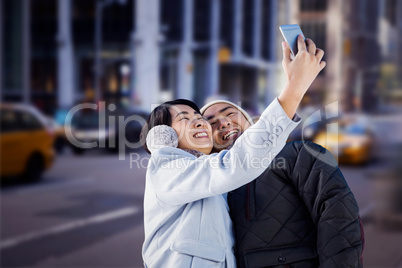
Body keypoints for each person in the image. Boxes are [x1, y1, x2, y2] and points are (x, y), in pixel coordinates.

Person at [141, 36, 325, 267]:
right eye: (185, 119)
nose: (200, 123)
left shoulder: (210, 177)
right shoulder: (167, 166)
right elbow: (236, 163)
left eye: (199, 118)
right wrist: (294, 87)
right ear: (165, 136)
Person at [200, 38, 364, 267]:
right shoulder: (210, 186)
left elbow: (339, 216)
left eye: (229, 113)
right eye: (210, 122)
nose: (224, 122)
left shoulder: (298, 154)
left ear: (252, 122)